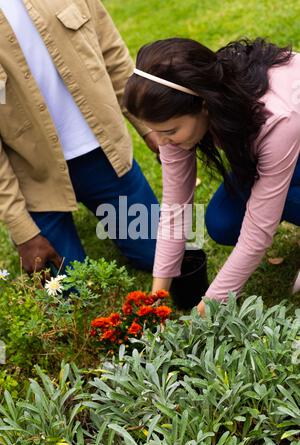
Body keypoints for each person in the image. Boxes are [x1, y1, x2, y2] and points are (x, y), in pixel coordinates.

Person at [124, 37, 300, 315]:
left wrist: (208, 306)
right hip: (283, 149)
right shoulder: (178, 116)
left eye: (169, 131)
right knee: (223, 222)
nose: (161, 142)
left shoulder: (277, 119)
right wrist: (155, 297)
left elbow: (258, 231)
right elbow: (174, 212)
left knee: (281, 198)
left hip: (292, 134)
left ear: (204, 106)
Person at [0, 0, 160, 276]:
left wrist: (150, 127)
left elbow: (113, 55)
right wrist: (23, 230)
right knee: (68, 291)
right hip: (36, 182)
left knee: (170, 256)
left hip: (105, 158)